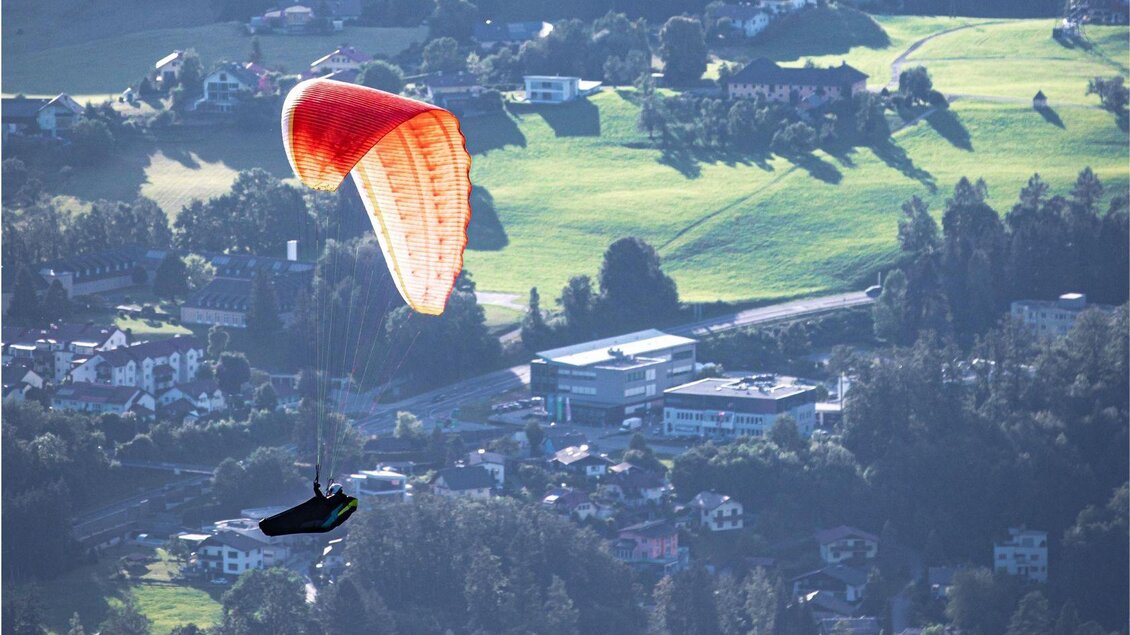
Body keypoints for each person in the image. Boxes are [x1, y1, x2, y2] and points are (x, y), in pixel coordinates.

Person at [259, 468, 359, 537]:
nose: (328, 494)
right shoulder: (340, 500)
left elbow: (323, 501)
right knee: (297, 524)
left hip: (323, 523)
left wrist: (316, 489)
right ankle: (270, 528)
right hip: (325, 525)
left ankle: (269, 527)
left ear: (334, 491)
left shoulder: (337, 498)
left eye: (330, 492)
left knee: (298, 521)